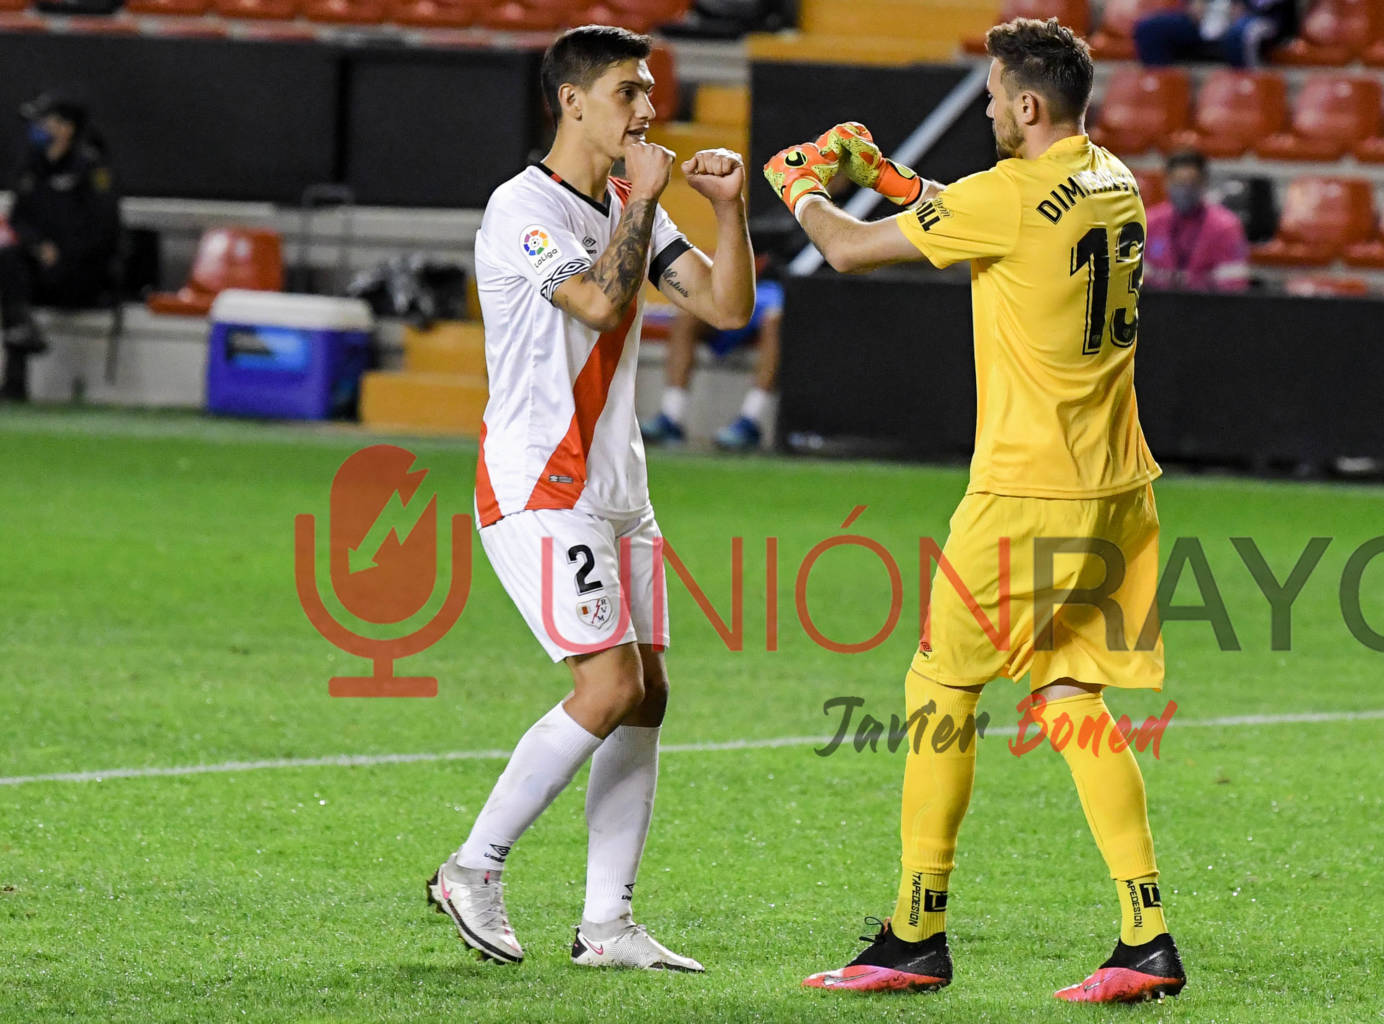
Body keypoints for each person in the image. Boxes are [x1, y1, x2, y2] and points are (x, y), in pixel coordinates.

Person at [763, 17, 1184, 1004]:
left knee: (939, 690)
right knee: (1071, 698)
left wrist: (800, 184)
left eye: (995, 97)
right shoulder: (1113, 180)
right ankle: (1145, 935)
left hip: (1027, 493)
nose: (989, 108)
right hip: (1118, 489)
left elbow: (847, 251)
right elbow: (983, 218)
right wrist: (889, 176)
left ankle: (915, 931)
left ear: (1027, 105)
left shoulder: (1009, 194)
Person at [429, 25, 754, 972]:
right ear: (571, 102)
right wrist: (645, 202)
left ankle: (607, 923)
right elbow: (600, 304)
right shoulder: (521, 208)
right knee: (607, 686)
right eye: (628, 92)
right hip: (541, 481)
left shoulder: (626, 204)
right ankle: (472, 867)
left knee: (646, 694)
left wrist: (726, 210)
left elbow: (726, 309)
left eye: (649, 91)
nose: (648, 110)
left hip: (617, 486)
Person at [0, 92, 120, 402]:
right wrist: (39, 246)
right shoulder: (33, 166)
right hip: (40, 268)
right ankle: (16, 378)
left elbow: (103, 230)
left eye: (47, 122)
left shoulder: (91, 169)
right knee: (9, 264)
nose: (39, 129)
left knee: (15, 289)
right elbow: (18, 220)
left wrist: (64, 253)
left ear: (67, 128)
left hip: (80, 274)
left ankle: (18, 357)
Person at [639, 256, 782, 450]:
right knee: (687, 315)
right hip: (755, 288)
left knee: (775, 320)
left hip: (790, 297)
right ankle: (671, 415)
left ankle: (750, 419)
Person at [1143, 149, 1249, 292]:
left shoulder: (1226, 227)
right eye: (1179, 183)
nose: (1185, 191)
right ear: (1166, 182)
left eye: (1192, 184)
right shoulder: (1149, 222)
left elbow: (1234, 285)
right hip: (1158, 302)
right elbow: (1134, 280)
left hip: (1209, 302)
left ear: (1204, 183)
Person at [1133, 0, 1297, 69]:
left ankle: (1247, 97)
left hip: (1259, 18)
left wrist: (1245, 5)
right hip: (1209, 17)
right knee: (1150, 29)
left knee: (1241, 34)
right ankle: (1161, 96)